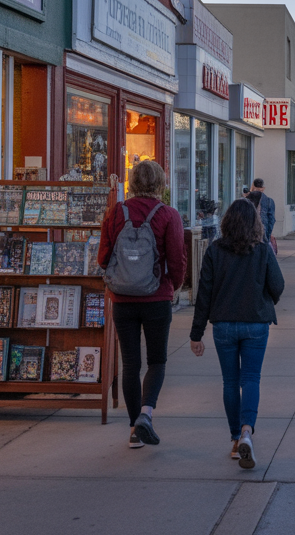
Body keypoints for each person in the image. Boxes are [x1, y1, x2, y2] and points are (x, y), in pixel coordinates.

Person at [189, 198, 285, 468]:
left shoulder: (214, 251)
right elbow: (278, 286)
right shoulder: (263, 250)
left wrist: (196, 334)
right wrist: (262, 301)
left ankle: (234, 440)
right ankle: (246, 432)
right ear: (256, 223)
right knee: (251, 379)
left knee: (230, 382)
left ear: (227, 221)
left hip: (224, 326)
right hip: (256, 324)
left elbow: (203, 295)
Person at [97, 160, 186, 449]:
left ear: (132, 182)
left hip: (122, 299)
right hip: (157, 298)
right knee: (157, 361)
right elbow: (177, 259)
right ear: (160, 183)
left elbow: (102, 257)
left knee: (130, 364)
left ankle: (135, 429)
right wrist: (174, 284)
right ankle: (147, 413)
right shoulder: (168, 215)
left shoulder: (115, 212)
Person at [250, 178, 277, 252]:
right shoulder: (269, 201)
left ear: (253, 187)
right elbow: (271, 220)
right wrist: (267, 237)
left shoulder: (246, 200)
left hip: (248, 234)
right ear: (263, 188)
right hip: (263, 234)